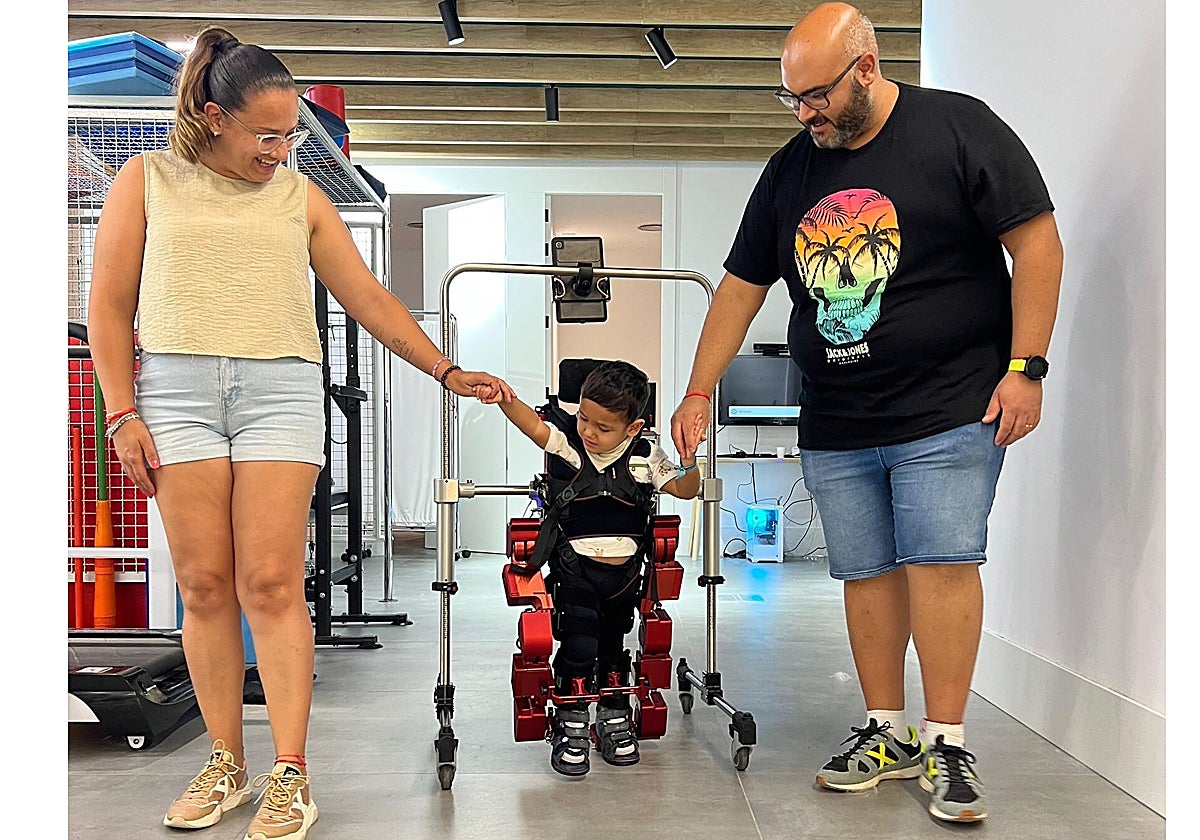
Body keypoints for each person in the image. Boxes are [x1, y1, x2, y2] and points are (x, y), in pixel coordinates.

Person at [86, 26, 512, 840]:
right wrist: (121, 411)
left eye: (290, 135)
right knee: (206, 586)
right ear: (214, 117)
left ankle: (290, 772)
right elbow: (108, 305)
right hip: (173, 392)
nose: (281, 151)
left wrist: (447, 371)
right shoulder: (146, 181)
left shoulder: (299, 198)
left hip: (280, 390)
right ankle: (225, 763)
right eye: (267, 135)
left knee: (274, 584)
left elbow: (372, 300)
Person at [670, 2, 1063, 824]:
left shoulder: (958, 130)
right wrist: (699, 388)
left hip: (952, 405)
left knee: (942, 564)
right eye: (793, 99)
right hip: (840, 417)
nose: (806, 112)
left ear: (867, 68)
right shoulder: (790, 170)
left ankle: (947, 741)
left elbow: (1037, 243)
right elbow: (743, 287)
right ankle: (886, 731)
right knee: (865, 576)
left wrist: (1026, 367)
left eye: (817, 96)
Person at [481, 360, 699, 776]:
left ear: (633, 428)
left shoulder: (646, 455)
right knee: (578, 646)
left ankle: (614, 717)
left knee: (614, 650)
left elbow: (686, 490)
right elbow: (534, 426)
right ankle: (572, 723)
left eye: (603, 427)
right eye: (583, 417)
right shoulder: (568, 444)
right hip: (574, 570)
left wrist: (689, 459)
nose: (589, 431)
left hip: (623, 579)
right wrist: (505, 399)